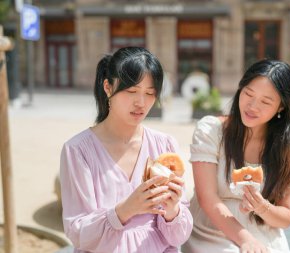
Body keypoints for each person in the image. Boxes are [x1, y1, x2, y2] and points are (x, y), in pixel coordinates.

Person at [60, 47, 193, 253]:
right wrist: (125, 210)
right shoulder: (78, 150)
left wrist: (173, 210)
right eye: (131, 91)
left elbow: (179, 237)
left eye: (150, 93)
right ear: (108, 87)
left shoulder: (165, 145)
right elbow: (78, 233)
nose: (141, 103)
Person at [182, 59, 290, 253]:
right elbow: (207, 198)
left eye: (266, 102)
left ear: (281, 108)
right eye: (248, 93)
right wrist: (245, 240)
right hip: (211, 230)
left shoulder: (289, 149)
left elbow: (286, 217)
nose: (252, 106)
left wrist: (262, 206)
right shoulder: (211, 131)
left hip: (263, 232)